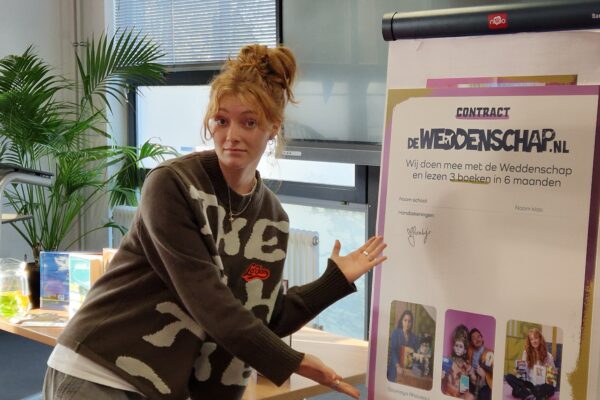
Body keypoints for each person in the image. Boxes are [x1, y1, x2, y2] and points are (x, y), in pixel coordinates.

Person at [42, 44, 387, 400]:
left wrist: (334, 281)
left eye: (248, 122)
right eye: (222, 121)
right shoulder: (172, 184)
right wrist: (292, 361)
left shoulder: (272, 219)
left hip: (157, 388)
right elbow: (210, 303)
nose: (232, 135)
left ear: (273, 127)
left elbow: (258, 318)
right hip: (98, 367)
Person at [505, 327, 557, 399]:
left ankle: (524, 393)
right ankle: (531, 394)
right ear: (529, 341)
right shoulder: (526, 353)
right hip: (530, 383)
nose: (534, 341)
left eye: (536, 338)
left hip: (541, 385)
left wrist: (549, 372)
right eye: (531, 339)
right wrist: (519, 372)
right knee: (508, 377)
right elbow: (523, 375)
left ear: (540, 339)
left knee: (550, 389)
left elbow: (553, 380)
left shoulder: (548, 356)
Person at [442, 325, 474, 400]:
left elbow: (464, 388)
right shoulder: (449, 360)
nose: (458, 349)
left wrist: (467, 373)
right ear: (453, 347)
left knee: (471, 397)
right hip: (449, 391)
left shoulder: (465, 364)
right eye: (456, 345)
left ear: (465, 350)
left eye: (461, 347)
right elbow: (444, 378)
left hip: (460, 393)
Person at [387, 309, 419, 382]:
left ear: (412, 323)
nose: (407, 323)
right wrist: (398, 366)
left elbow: (416, 353)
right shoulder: (395, 333)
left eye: (409, 321)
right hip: (395, 368)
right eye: (405, 320)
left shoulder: (414, 337)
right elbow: (393, 350)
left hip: (408, 370)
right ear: (401, 321)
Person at [466, 328, 494, 400]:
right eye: (474, 338)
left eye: (478, 337)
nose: (477, 339)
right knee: (462, 389)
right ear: (471, 342)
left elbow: (495, 372)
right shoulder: (470, 350)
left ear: (482, 338)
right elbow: (467, 362)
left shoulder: (490, 353)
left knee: (483, 396)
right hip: (472, 381)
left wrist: (484, 367)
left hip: (485, 384)